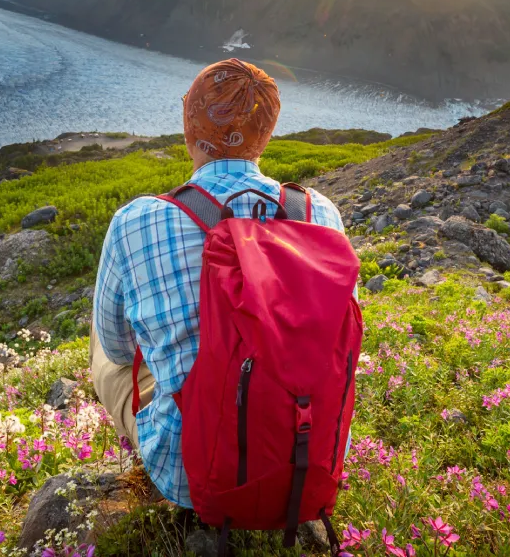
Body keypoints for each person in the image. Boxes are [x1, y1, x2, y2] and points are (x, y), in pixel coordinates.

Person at [90, 58, 349, 508]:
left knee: (101, 344)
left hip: (191, 476)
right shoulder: (320, 214)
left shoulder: (135, 220)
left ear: (190, 126)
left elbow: (117, 349)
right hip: (306, 461)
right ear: (266, 134)